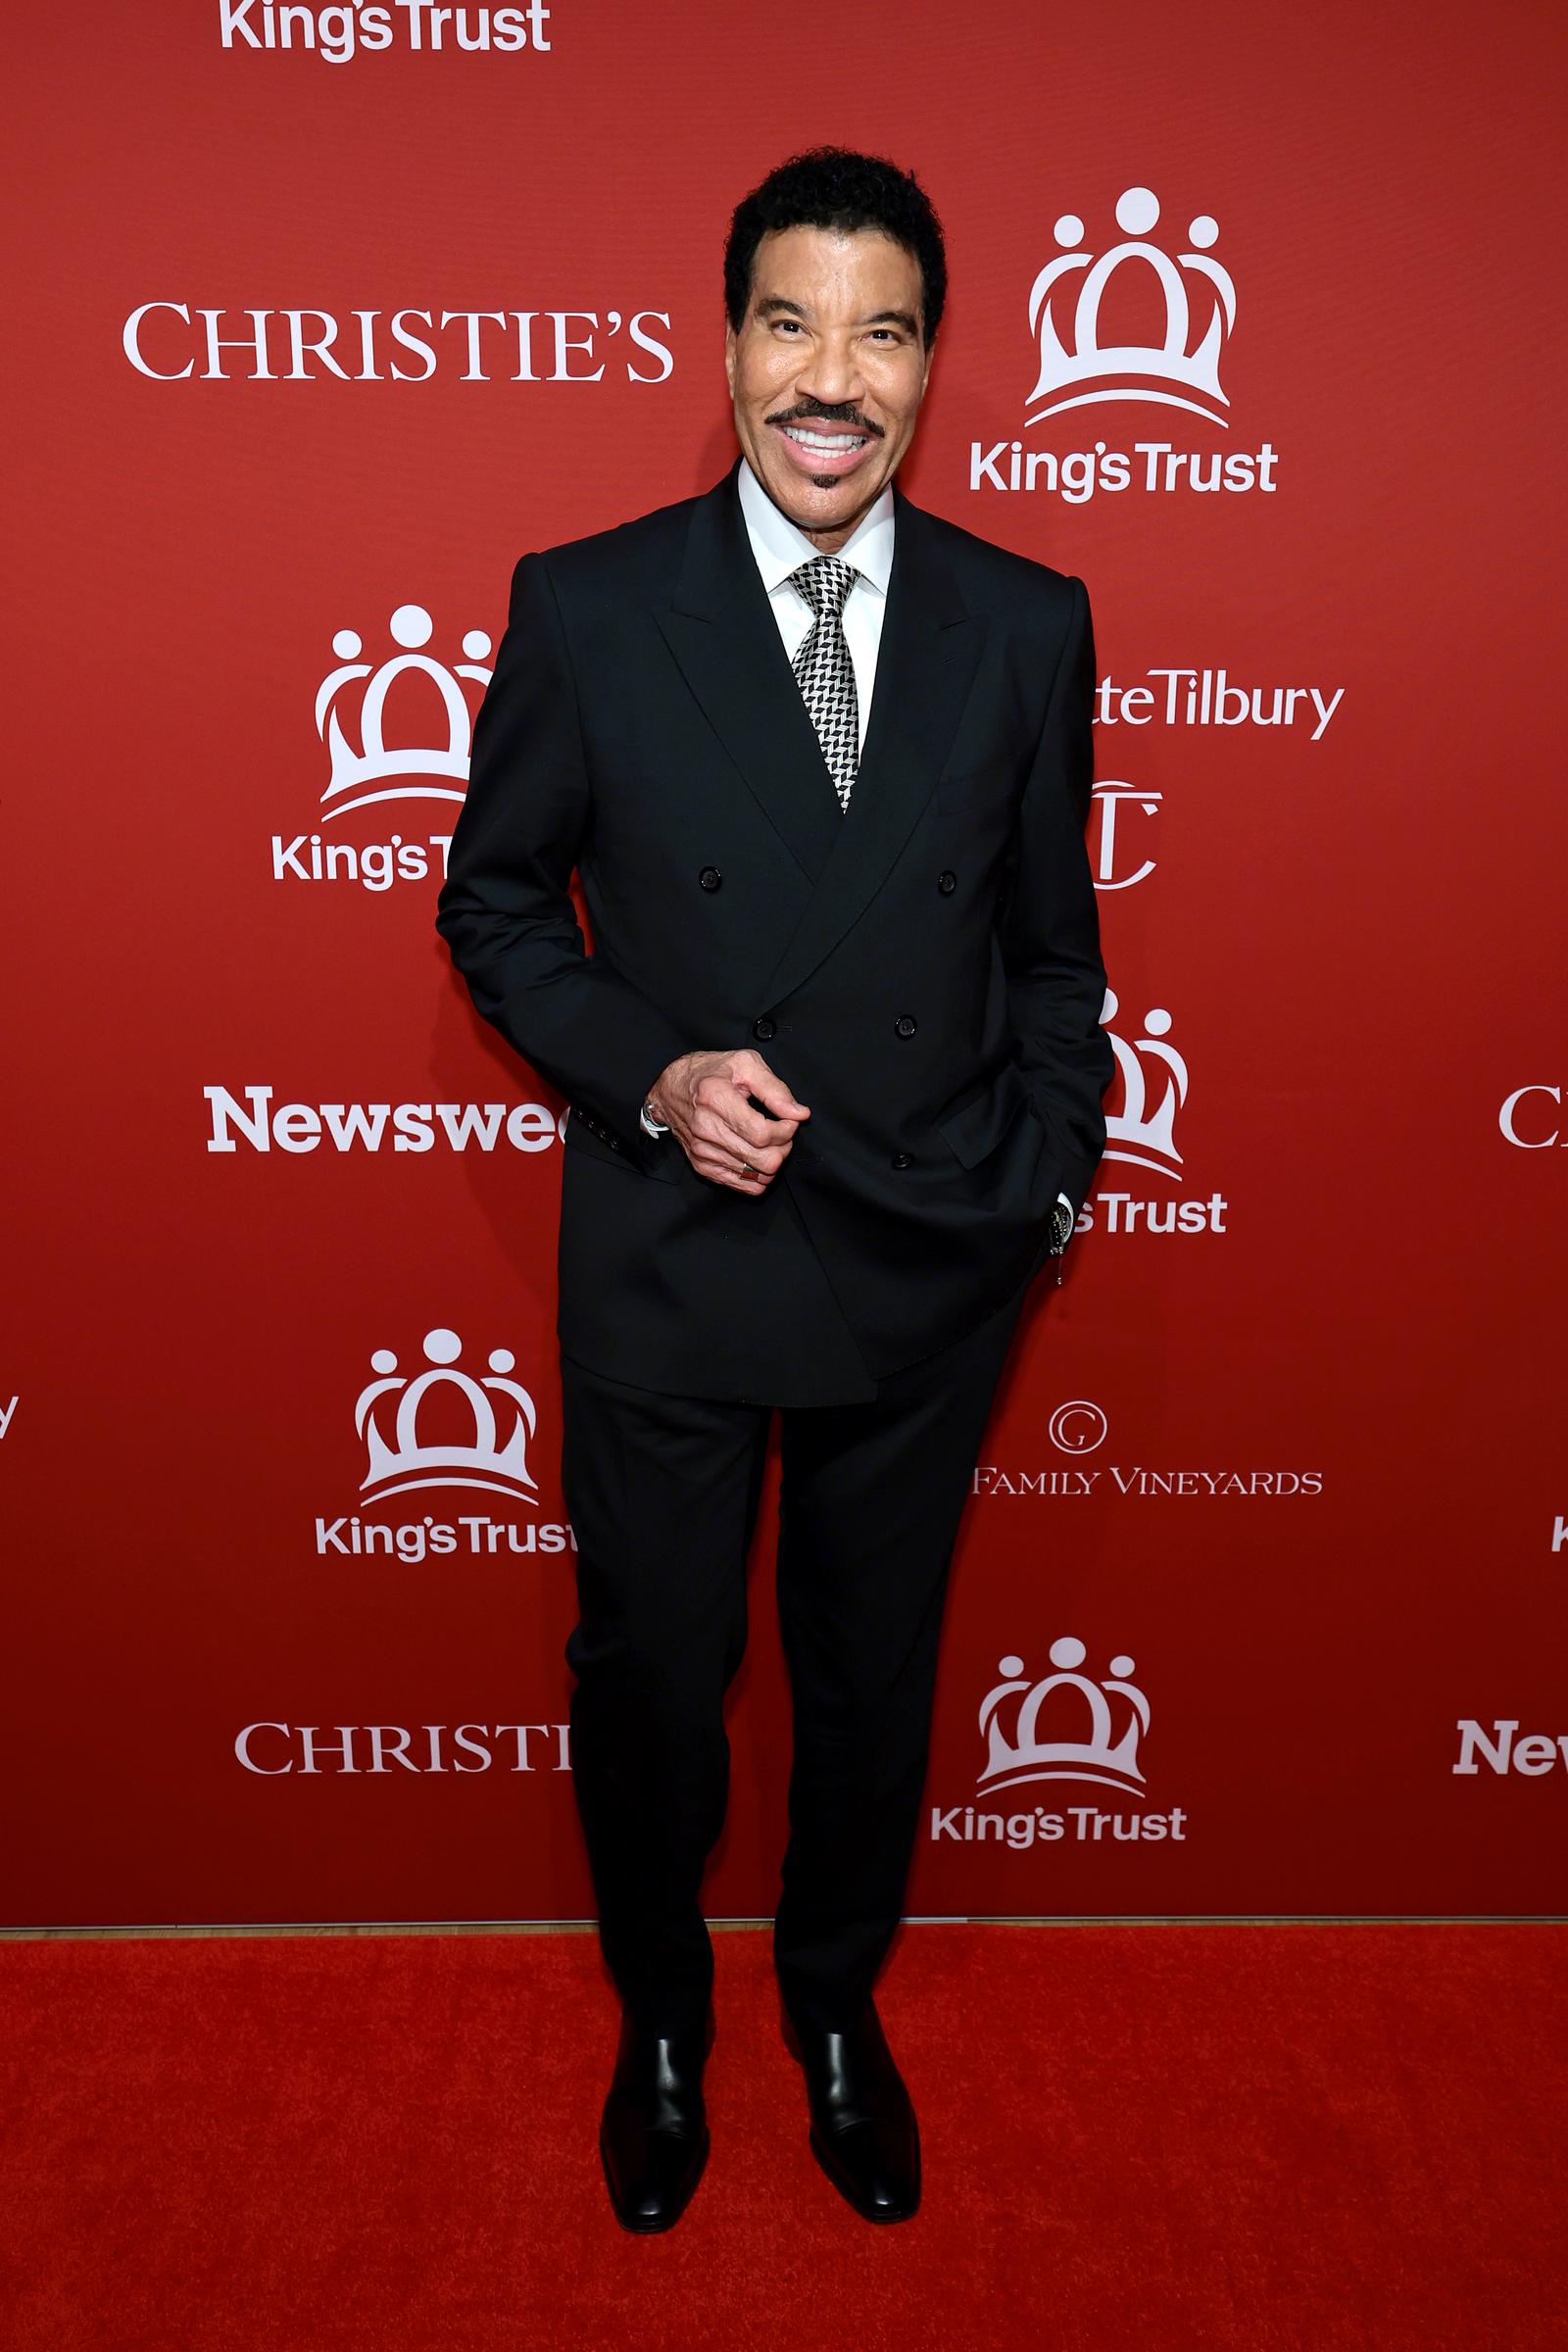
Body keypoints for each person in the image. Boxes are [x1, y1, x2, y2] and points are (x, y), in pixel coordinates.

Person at [435, 145, 1112, 2231]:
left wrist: (1035, 1173)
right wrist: (647, 1070)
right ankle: (658, 2020)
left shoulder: (1023, 623)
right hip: (673, 1253)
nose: (832, 378)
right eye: (791, 321)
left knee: (867, 1676)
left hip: (921, 1254)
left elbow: (1048, 952)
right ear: (724, 341)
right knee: (648, 1670)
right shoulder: (590, 600)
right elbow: (493, 905)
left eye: (881, 329)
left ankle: (831, 2006)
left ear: (932, 365)